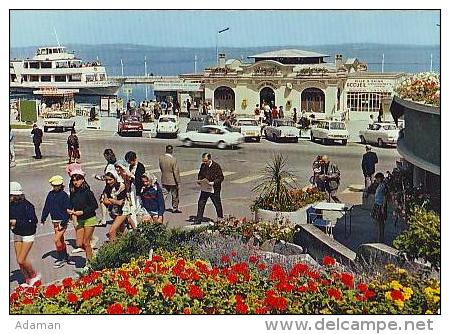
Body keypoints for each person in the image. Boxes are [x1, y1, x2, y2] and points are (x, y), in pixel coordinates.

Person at [10, 182, 41, 286]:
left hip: (28, 234)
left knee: (21, 259)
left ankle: (34, 275)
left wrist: (16, 222)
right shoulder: (10, 205)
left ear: (16, 195)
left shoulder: (27, 206)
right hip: (17, 233)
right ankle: (27, 279)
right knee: (19, 261)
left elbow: (33, 221)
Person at [41, 175, 74, 268]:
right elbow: (47, 206)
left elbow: (68, 210)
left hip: (62, 221)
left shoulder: (64, 196)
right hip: (54, 221)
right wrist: (43, 218)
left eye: (57, 185)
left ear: (61, 185)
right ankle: (65, 256)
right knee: (61, 240)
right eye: (54, 185)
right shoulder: (50, 194)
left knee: (56, 240)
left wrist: (63, 222)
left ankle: (61, 258)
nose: (56, 187)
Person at [68, 168, 98, 263]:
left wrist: (82, 212)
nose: (75, 182)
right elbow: (72, 204)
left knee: (86, 242)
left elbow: (95, 206)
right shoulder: (73, 192)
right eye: (73, 180)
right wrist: (70, 211)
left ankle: (90, 263)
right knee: (80, 243)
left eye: (77, 179)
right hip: (80, 219)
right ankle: (92, 256)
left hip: (89, 218)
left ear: (83, 179)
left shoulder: (87, 192)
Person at [193, 153, 224, 225]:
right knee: (201, 202)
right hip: (205, 188)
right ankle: (198, 219)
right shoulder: (203, 165)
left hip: (214, 189)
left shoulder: (216, 166)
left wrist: (213, 182)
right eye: (203, 161)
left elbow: (221, 177)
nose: (204, 163)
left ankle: (220, 218)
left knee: (217, 204)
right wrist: (199, 180)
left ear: (210, 159)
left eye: (206, 161)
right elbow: (200, 174)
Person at [101, 172, 129, 241]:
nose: (108, 182)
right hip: (114, 210)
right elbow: (105, 201)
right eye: (106, 180)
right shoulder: (107, 187)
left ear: (115, 178)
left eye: (110, 179)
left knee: (111, 231)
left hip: (123, 210)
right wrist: (114, 201)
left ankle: (112, 248)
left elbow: (120, 203)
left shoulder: (121, 186)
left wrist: (110, 199)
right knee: (121, 231)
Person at [159, 145, 181, 213]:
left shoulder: (161, 158)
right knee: (175, 195)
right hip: (172, 181)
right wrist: (178, 182)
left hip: (164, 179)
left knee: (163, 194)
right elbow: (175, 172)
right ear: (171, 150)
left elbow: (161, 167)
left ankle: (160, 207)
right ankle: (175, 208)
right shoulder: (173, 160)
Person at [371, 172, 388, 243]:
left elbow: (385, 197)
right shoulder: (379, 185)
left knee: (381, 223)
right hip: (377, 205)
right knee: (377, 222)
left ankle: (380, 239)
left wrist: (383, 208)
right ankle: (377, 237)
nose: (376, 180)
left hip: (380, 206)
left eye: (377, 178)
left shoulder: (383, 186)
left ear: (380, 178)